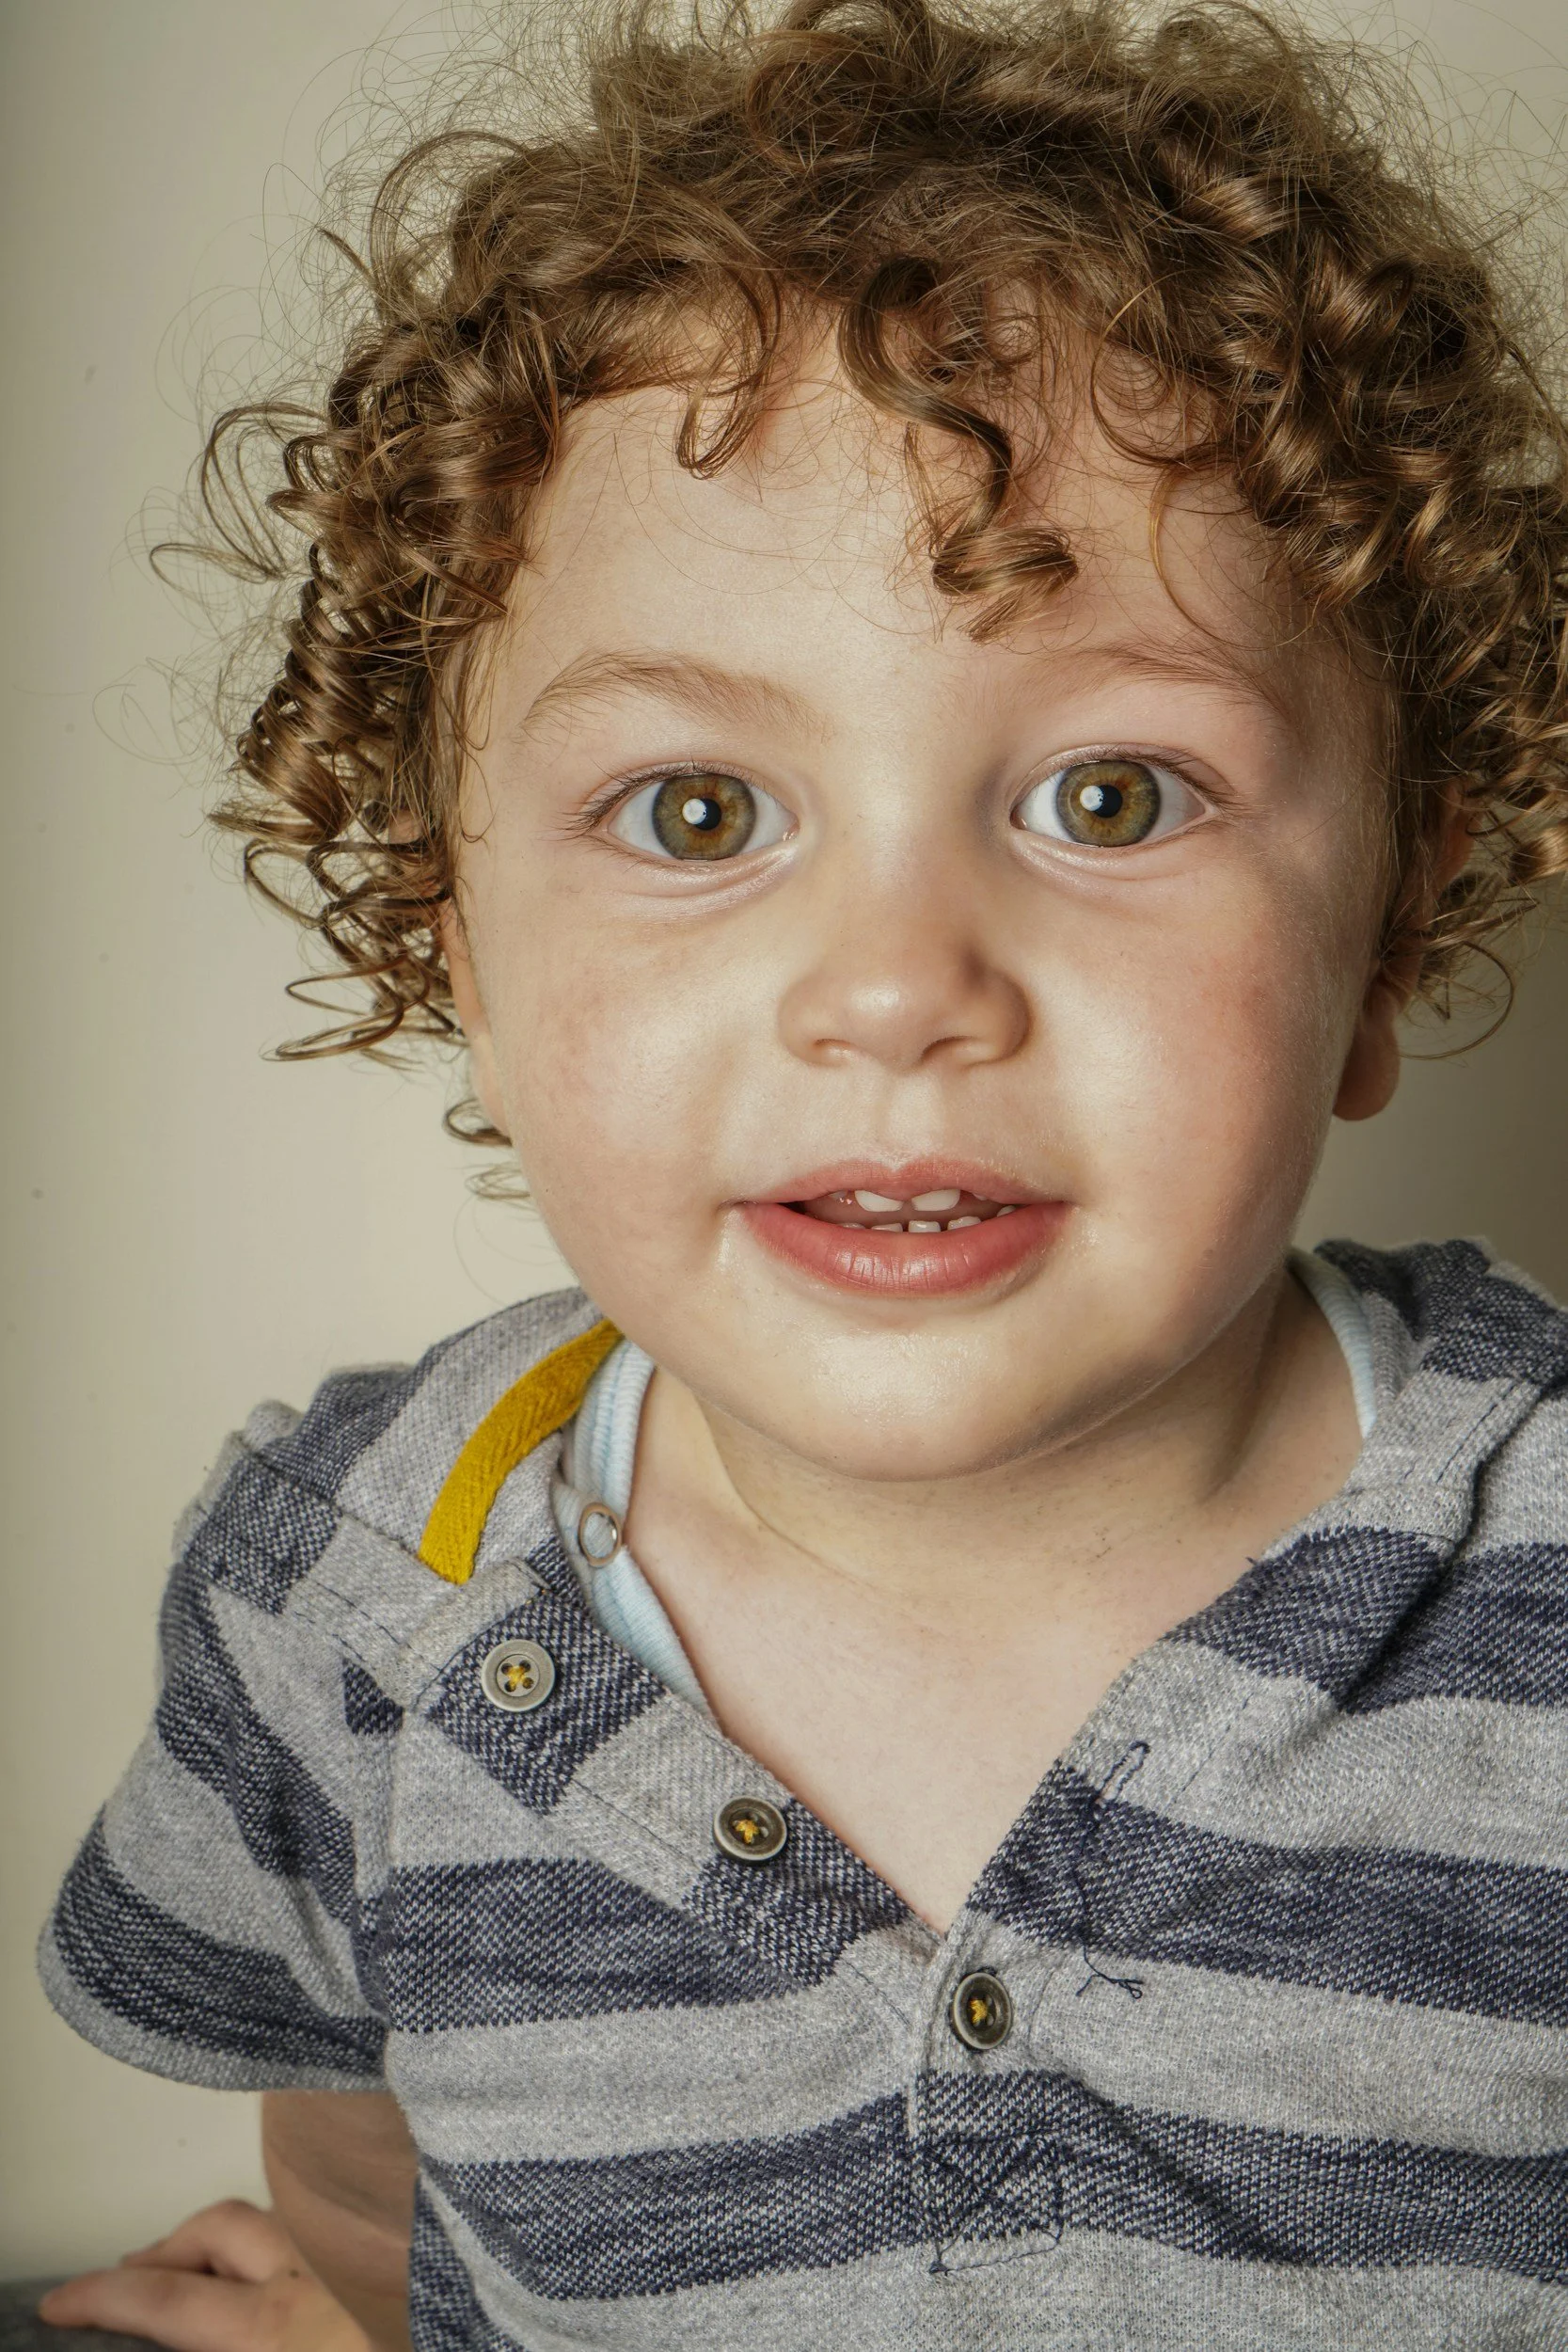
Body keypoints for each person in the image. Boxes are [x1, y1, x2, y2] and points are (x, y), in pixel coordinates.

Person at [31, 0, 1568, 2344]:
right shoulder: (346, 1594)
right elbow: (362, 2140)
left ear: (1381, 930)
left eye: (1111, 795)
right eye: (694, 812)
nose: (892, 986)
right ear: (454, 940)